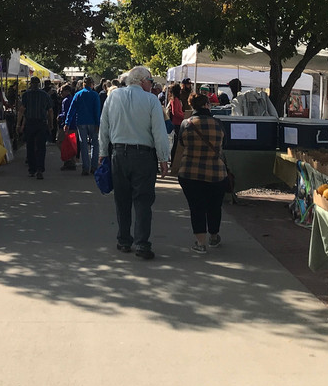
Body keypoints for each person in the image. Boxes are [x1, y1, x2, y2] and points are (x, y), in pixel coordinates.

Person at [98, 65, 171, 260]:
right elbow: (159, 131)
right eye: (150, 81)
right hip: (143, 156)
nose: (152, 85)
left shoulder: (112, 97)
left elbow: (104, 126)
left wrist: (103, 152)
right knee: (143, 200)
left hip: (118, 154)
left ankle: (123, 239)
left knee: (121, 199)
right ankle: (141, 243)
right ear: (142, 81)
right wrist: (164, 158)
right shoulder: (151, 100)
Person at [173, 94, 228, 254]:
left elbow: (182, 143)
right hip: (215, 172)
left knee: (196, 207)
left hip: (190, 172)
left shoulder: (186, 123)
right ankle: (214, 236)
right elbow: (225, 143)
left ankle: (200, 242)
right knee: (214, 205)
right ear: (206, 105)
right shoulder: (218, 123)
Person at [18, 77, 53, 179]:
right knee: (41, 147)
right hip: (41, 123)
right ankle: (40, 169)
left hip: (30, 123)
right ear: (39, 84)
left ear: (31, 84)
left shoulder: (26, 95)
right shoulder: (45, 95)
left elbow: (21, 110)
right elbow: (50, 110)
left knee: (30, 146)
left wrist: (18, 124)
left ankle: (32, 169)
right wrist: (51, 123)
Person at [67, 76, 102, 175]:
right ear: (92, 84)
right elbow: (97, 110)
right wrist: (98, 123)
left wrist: (67, 122)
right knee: (94, 144)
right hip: (92, 122)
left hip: (81, 121)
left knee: (83, 145)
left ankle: (85, 167)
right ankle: (94, 167)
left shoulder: (78, 94)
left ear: (83, 84)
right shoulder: (95, 95)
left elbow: (72, 109)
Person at [58, 84, 77, 170]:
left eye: (61, 91)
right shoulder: (73, 99)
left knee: (61, 142)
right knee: (71, 143)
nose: (60, 93)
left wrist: (60, 117)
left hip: (67, 125)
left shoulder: (65, 100)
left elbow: (66, 113)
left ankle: (68, 160)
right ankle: (72, 161)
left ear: (66, 91)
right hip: (74, 124)